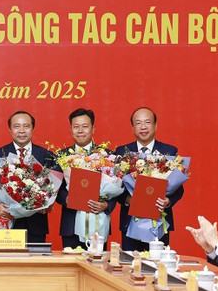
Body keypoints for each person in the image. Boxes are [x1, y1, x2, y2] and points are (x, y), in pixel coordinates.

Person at [115, 107, 184, 251]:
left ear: (155, 125)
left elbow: (179, 187)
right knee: (130, 267)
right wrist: (128, 200)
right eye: (138, 123)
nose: (143, 127)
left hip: (160, 220)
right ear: (133, 127)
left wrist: (167, 202)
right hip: (131, 221)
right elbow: (116, 186)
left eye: (147, 122)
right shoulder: (122, 152)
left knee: (159, 268)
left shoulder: (169, 151)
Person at [55, 108, 118, 249]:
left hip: (98, 223)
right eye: (76, 127)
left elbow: (118, 187)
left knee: (97, 267)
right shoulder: (61, 156)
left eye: (85, 126)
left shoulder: (107, 156)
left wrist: (107, 205)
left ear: (93, 128)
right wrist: (67, 199)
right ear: (70, 129)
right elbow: (54, 188)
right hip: (71, 225)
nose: (80, 130)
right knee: (70, 268)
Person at [0, 111, 55, 244]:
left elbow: (54, 186)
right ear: (9, 129)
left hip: (36, 225)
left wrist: (48, 202)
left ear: (33, 128)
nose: (21, 131)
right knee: (7, 264)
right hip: (7, 224)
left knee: (35, 264)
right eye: (16, 126)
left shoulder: (46, 155)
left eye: (26, 126)